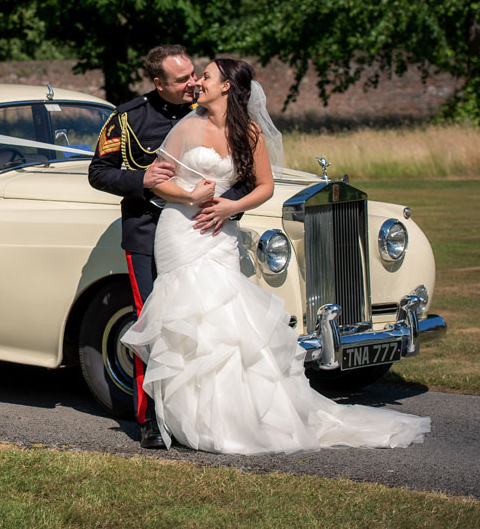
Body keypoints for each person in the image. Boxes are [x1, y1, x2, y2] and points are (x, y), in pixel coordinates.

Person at [120, 58, 431, 454]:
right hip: (181, 230)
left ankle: (235, 416)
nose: (199, 82)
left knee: (226, 316)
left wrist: (229, 208)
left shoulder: (248, 132)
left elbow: (264, 186)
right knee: (185, 315)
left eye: (207, 76)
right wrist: (190, 196)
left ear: (227, 87)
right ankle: (186, 417)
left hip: (220, 231)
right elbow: (158, 181)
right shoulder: (187, 126)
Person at [88, 45, 250, 448]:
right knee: (153, 324)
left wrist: (231, 208)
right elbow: (98, 172)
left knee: (204, 323)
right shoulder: (128, 118)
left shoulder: (214, 110)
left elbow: (243, 173)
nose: (192, 83)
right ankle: (151, 420)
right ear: (158, 83)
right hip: (147, 233)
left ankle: (202, 413)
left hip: (204, 233)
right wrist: (140, 179)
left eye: (194, 74)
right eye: (181, 80)